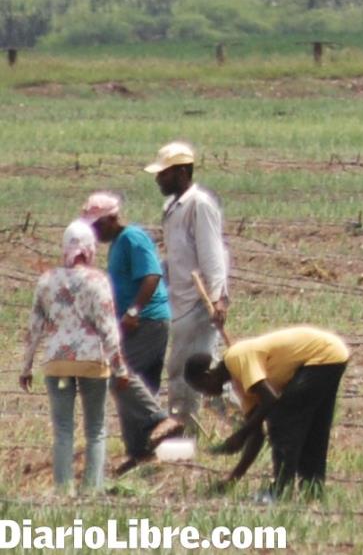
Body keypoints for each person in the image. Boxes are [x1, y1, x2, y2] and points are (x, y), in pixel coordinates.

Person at [20, 220, 128, 493]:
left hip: (57, 363)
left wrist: (26, 366)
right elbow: (107, 327)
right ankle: (92, 489)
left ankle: (62, 489)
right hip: (92, 362)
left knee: (63, 429)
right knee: (95, 428)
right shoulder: (97, 281)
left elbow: (34, 327)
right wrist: (119, 368)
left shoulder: (46, 280)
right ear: (90, 248)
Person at [80, 192, 184, 473]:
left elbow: (152, 276)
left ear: (113, 219)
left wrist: (134, 311)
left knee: (117, 377)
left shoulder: (132, 238)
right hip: (131, 323)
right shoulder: (117, 244)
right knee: (139, 385)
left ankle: (160, 419)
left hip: (147, 320)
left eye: (98, 226)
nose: (94, 232)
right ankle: (140, 452)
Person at [184, 326, 349, 498]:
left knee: (281, 420)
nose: (205, 394)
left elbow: (271, 398)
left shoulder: (236, 357)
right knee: (314, 428)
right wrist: (232, 479)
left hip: (322, 355)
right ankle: (312, 490)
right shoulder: (240, 384)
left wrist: (241, 434)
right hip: (331, 357)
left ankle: (280, 491)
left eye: (201, 387)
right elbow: (257, 435)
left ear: (207, 375)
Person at [146, 141, 229, 426]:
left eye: (164, 173)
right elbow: (176, 256)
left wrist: (218, 297)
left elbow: (212, 253)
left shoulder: (199, 205)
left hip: (198, 302)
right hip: (178, 300)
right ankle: (246, 421)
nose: (158, 178)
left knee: (183, 370)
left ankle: (181, 430)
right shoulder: (171, 207)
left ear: (182, 172)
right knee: (204, 371)